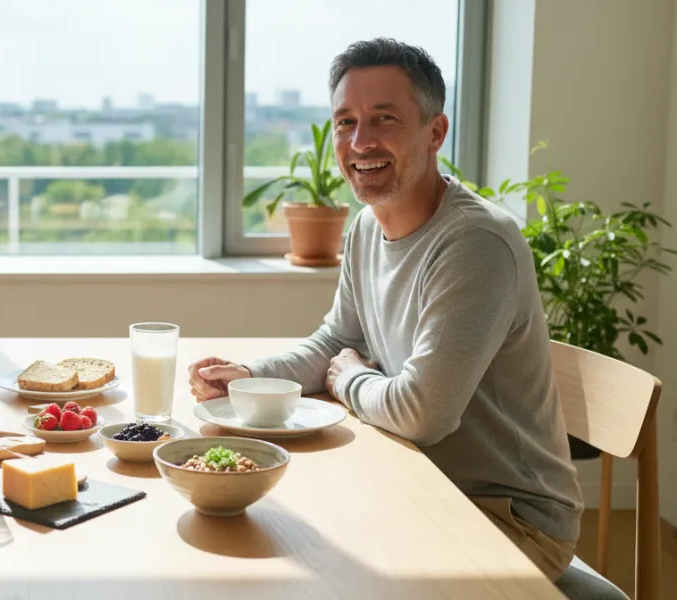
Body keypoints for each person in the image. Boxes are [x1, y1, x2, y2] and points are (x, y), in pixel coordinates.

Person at [188, 38, 582, 582]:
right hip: (418, 482)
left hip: (505, 518)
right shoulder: (367, 227)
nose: (359, 141)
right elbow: (334, 342)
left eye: (384, 118)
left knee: (310, 570)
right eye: (345, 121)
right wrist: (251, 377)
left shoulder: (474, 244)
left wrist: (349, 379)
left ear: (435, 131)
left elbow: (422, 414)